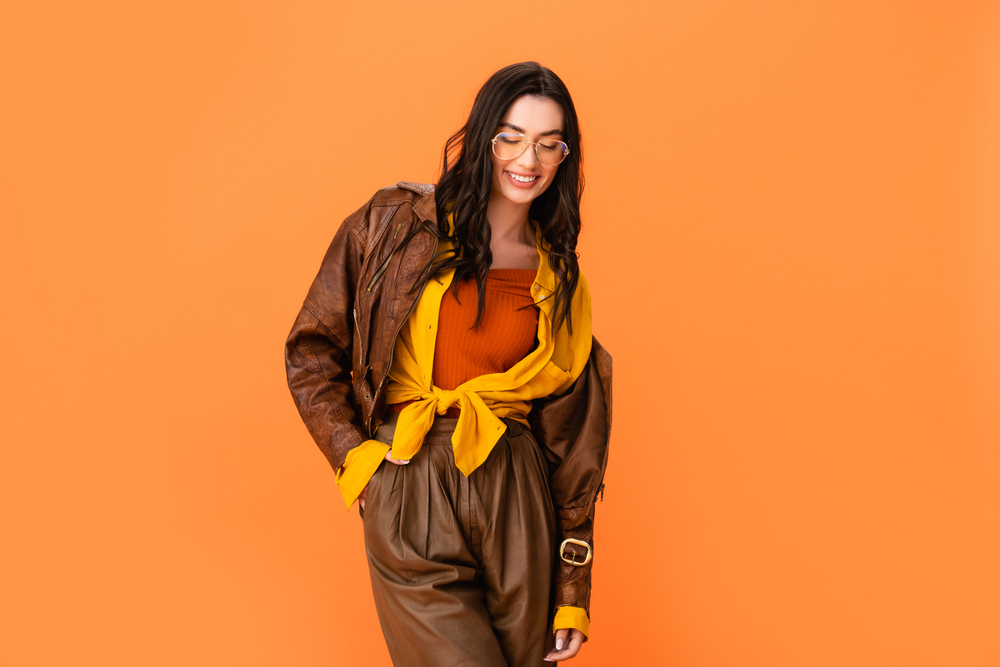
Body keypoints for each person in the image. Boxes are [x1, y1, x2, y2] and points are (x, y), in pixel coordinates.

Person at [284, 61, 612, 666]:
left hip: (518, 492)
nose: (528, 159)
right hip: (411, 478)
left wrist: (572, 592)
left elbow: (575, 447)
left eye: (548, 143)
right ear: (484, 137)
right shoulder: (394, 224)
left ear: (565, 157)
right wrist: (359, 463)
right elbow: (311, 347)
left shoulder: (562, 279)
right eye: (511, 136)